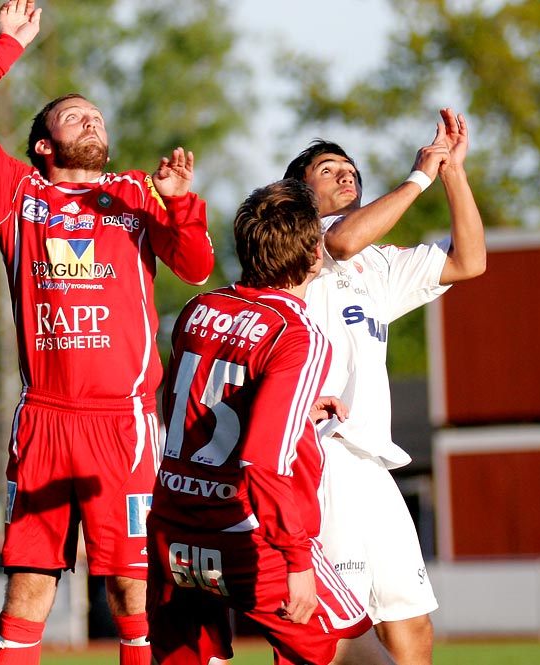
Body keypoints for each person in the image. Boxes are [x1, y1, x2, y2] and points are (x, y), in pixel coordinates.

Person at [0, 1, 214, 663]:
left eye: (97, 114)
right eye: (72, 114)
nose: (90, 118)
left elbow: (197, 265)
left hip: (122, 421)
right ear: (43, 142)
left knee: (128, 586)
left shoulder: (135, 195)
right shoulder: (16, 197)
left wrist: (178, 202)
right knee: (29, 585)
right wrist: (5, 48)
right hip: (45, 423)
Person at [146, 179, 396, 665]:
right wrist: (296, 560)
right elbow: (263, 460)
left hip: (174, 529)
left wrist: (296, 405)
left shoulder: (199, 309)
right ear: (315, 256)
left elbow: (207, 401)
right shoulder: (297, 332)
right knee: (360, 657)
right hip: (248, 535)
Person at [284, 108, 486, 664]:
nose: (345, 174)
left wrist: (452, 174)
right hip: (321, 453)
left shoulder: (377, 264)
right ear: (297, 192)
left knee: (410, 619)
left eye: (350, 168)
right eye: (328, 169)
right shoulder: (303, 245)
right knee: (326, 628)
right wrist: (418, 176)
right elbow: (344, 241)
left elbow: (469, 261)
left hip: (372, 460)